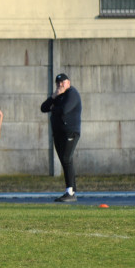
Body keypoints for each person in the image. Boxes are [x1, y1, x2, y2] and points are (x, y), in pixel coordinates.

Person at [41, 72, 82, 202]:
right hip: (58, 133)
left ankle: (70, 192)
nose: (60, 85)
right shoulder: (58, 96)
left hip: (70, 132)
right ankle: (71, 190)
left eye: (63, 82)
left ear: (68, 83)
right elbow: (43, 108)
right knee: (65, 161)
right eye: (58, 83)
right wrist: (53, 97)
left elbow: (65, 109)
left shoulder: (72, 94)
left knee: (66, 159)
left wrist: (53, 108)